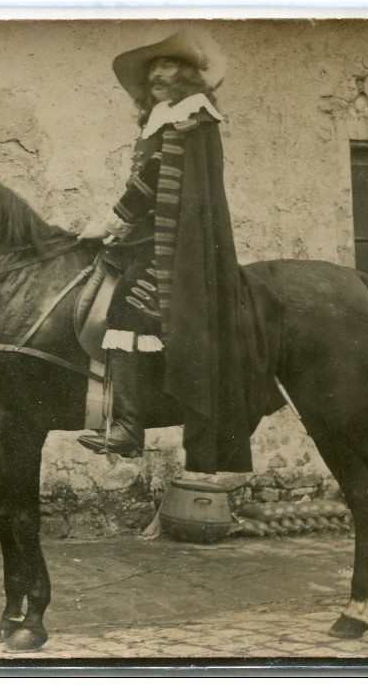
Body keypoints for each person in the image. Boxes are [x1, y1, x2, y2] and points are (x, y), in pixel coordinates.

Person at [76, 29, 260, 475]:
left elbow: (154, 184)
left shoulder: (191, 119)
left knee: (126, 311)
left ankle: (128, 428)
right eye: (153, 68)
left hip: (178, 251)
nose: (158, 74)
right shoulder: (162, 118)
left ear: (189, 76)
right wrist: (118, 232)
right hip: (149, 239)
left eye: (170, 65)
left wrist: (112, 220)